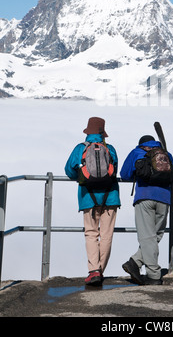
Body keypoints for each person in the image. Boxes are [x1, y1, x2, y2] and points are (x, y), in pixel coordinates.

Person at [65, 117, 120, 286]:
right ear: (103, 134)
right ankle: (100, 271)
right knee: (106, 235)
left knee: (91, 233)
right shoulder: (110, 149)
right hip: (110, 197)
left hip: (88, 197)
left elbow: (69, 170)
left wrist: (84, 175)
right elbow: (114, 170)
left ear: (88, 133)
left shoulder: (80, 148)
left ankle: (93, 271)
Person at [120, 135, 173, 285]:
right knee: (156, 235)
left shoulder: (137, 152)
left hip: (144, 197)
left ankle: (153, 276)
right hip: (164, 198)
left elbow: (124, 174)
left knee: (148, 237)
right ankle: (134, 262)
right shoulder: (165, 153)